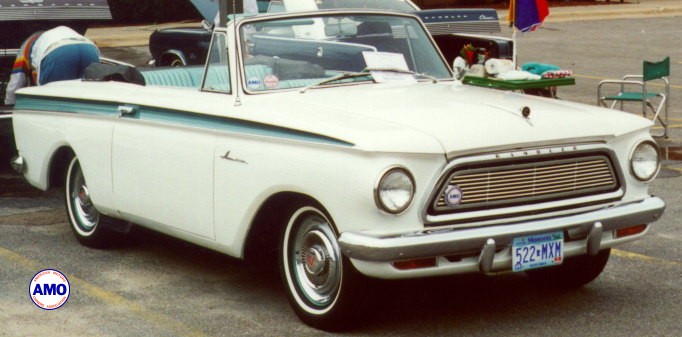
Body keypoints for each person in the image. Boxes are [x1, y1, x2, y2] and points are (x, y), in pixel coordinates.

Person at [4, 26, 100, 105]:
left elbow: (16, 82)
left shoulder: (27, 45)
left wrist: (9, 105)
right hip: (89, 47)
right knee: (87, 99)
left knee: (53, 104)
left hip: (58, 51)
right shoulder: (49, 36)